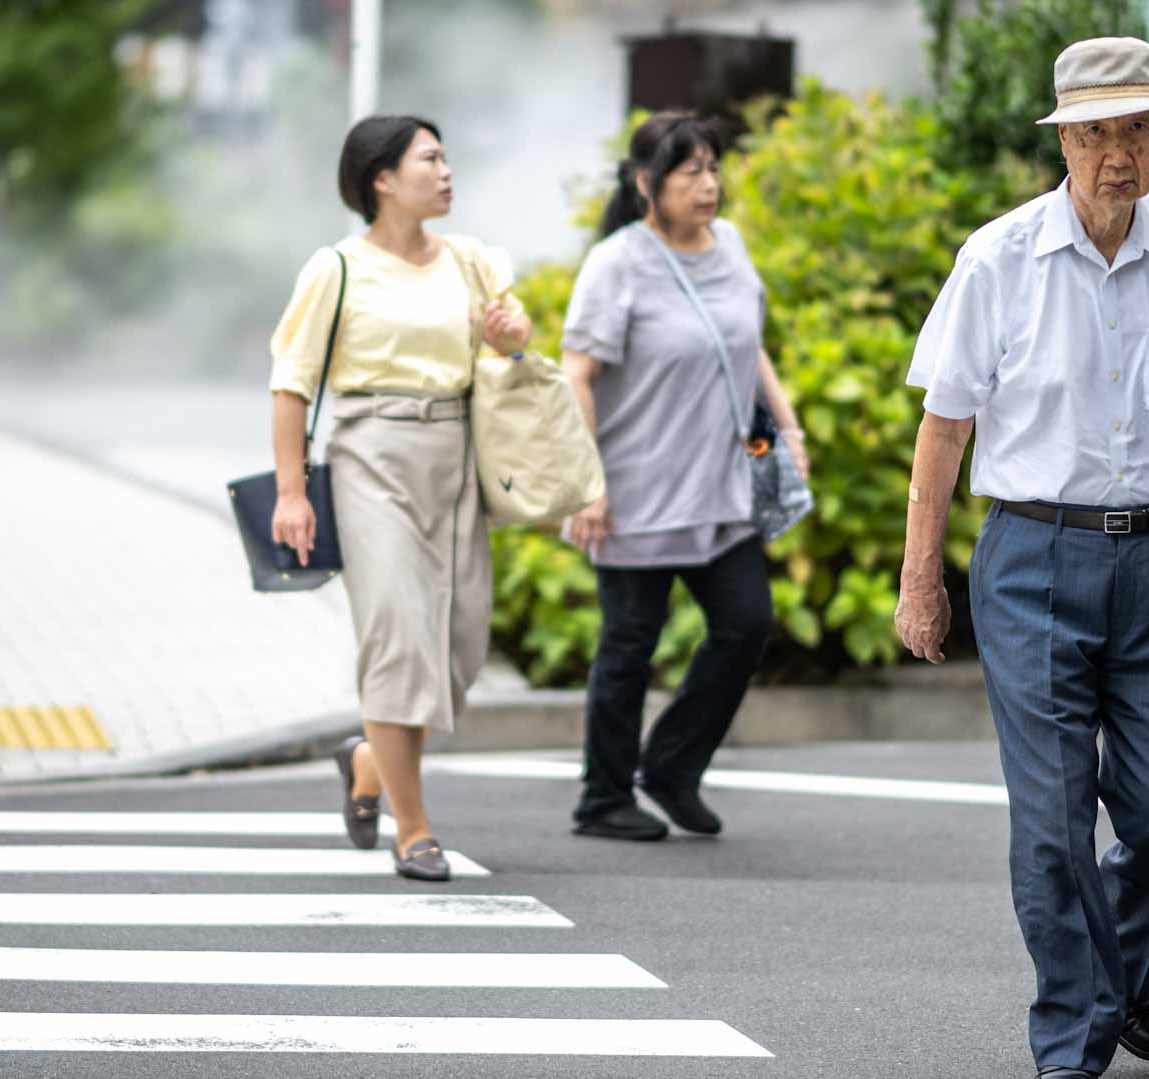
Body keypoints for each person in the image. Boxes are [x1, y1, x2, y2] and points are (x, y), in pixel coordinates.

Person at [894, 37, 1149, 1079]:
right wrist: (920, 575)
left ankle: (1125, 977)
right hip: (1032, 559)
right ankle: (1075, 1035)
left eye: (1140, 129)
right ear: (1063, 138)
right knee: (1055, 821)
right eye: (1099, 132)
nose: (1121, 153)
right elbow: (945, 425)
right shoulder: (999, 257)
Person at [269, 115, 531, 882]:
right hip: (368, 456)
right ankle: (412, 829)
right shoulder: (337, 268)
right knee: (397, 638)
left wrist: (513, 336)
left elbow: (511, 354)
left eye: (447, 157)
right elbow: (291, 383)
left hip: (455, 452)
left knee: (457, 647)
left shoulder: (473, 262)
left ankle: (365, 759)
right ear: (382, 178)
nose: (447, 172)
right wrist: (292, 492)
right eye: (430, 159)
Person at [558, 111, 809, 842]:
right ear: (646, 184)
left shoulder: (728, 245)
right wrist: (589, 483)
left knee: (746, 623)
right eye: (690, 171)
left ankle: (669, 765)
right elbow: (576, 374)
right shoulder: (616, 263)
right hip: (636, 491)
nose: (709, 185)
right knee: (629, 643)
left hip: (723, 484)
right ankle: (603, 797)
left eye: (713, 168)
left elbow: (748, 347)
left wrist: (786, 429)